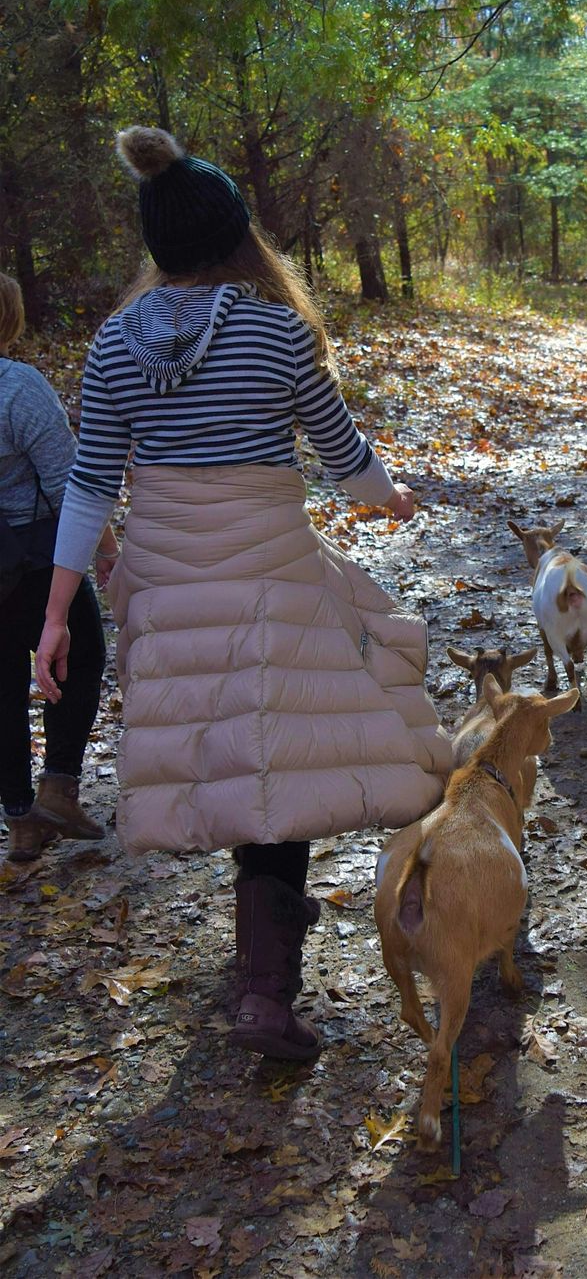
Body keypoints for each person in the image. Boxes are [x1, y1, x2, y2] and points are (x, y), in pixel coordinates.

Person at [35, 126, 453, 1060]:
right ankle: (267, 987)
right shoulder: (274, 329)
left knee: (238, 752)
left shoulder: (112, 347)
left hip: (169, 580)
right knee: (280, 753)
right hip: (266, 570)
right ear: (236, 235)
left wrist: (59, 613)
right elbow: (345, 460)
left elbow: (90, 485)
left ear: (158, 245)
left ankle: (270, 921)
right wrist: (392, 498)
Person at [1, 273, 116, 862]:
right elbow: (75, 482)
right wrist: (108, 549)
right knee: (82, 654)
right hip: (37, 562)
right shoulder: (17, 388)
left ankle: (21, 819)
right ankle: (59, 787)